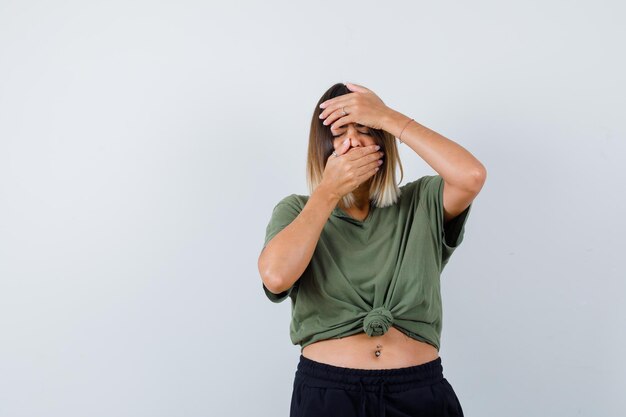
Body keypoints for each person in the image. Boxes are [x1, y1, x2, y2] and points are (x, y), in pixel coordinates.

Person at [258, 82, 487, 417]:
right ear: (323, 148)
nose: (353, 141)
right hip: (330, 394)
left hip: (418, 391)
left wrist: (387, 116)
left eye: (366, 129)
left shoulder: (420, 202)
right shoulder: (297, 211)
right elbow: (276, 277)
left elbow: (471, 175)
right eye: (339, 133)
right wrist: (328, 192)